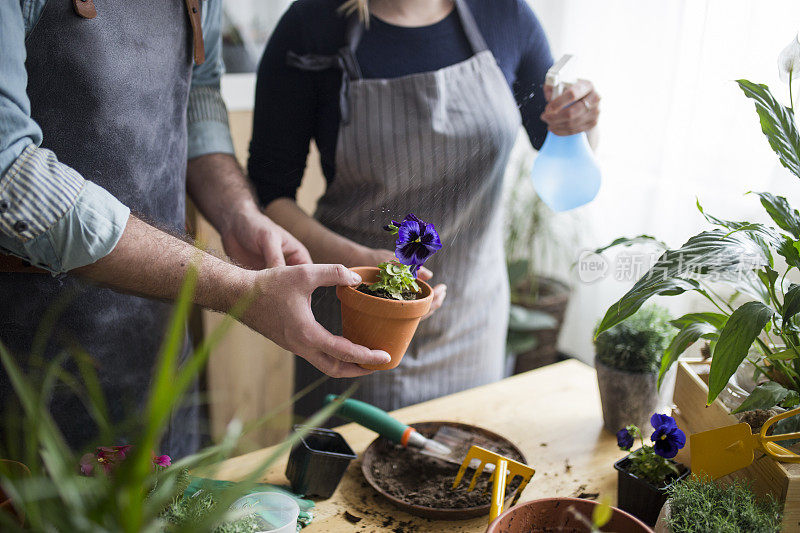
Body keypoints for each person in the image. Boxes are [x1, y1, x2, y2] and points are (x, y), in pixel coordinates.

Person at [0, 0, 390, 457]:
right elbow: (9, 173)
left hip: (161, 349)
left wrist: (237, 210)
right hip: (30, 366)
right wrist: (238, 290)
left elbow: (198, 92)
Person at [248, 0, 601, 416]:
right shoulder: (313, 26)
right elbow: (271, 199)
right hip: (356, 319)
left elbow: (560, 145)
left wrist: (581, 122)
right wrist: (360, 263)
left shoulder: (504, 15)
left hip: (471, 324)